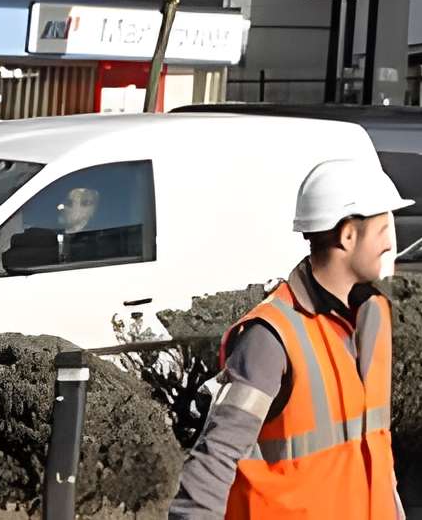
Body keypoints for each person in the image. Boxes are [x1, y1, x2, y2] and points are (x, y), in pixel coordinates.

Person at [167, 156, 409, 520]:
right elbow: (215, 456)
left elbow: (374, 450)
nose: (391, 244)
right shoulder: (272, 335)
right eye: (382, 230)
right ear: (347, 236)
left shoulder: (374, 317)